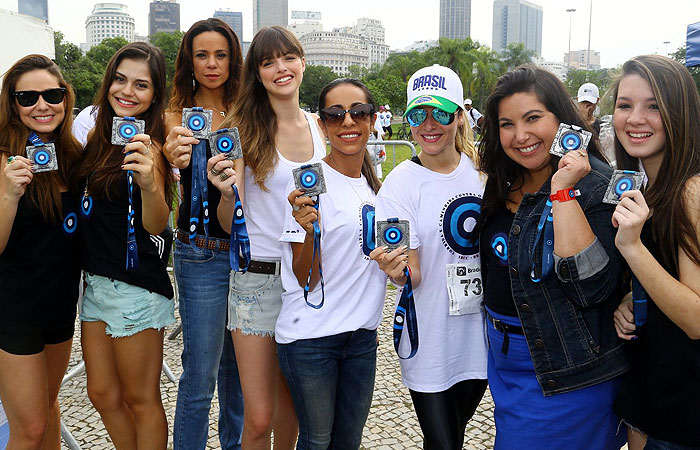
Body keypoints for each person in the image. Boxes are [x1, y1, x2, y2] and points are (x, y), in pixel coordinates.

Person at [475, 65, 628, 449]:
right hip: (505, 364)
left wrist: (562, 192)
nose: (520, 135)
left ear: (561, 120)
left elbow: (591, 286)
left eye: (533, 118)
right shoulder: (502, 180)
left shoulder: (595, 186)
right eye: (507, 123)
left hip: (567, 369)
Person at [214, 25, 326, 449]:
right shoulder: (242, 131)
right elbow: (230, 223)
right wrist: (227, 196)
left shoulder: (321, 127)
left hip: (309, 278)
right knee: (259, 418)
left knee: (293, 409)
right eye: (267, 62)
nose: (280, 68)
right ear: (257, 74)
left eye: (288, 57)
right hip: (256, 279)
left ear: (302, 62)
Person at [371, 64, 487, 450]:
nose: (429, 124)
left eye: (440, 111)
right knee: (444, 443)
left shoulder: (485, 172)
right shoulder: (400, 182)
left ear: (458, 115)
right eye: (418, 113)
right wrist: (398, 272)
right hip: (431, 336)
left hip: (481, 337)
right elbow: (412, 272)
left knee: (452, 432)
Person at [76, 41, 175, 449]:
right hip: (96, 284)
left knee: (140, 397)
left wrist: (151, 181)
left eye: (141, 85)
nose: (127, 92)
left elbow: (157, 224)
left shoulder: (152, 146)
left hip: (136, 288)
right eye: (120, 79)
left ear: (154, 95)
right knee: (101, 393)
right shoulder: (98, 139)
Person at [279, 78, 386, 449]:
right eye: (335, 115)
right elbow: (305, 279)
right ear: (322, 124)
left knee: (348, 441)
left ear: (372, 120)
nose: (348, 123)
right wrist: (308, 231)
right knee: (317, 441)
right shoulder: (311, 180)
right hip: (312, 338)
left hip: (361, 337)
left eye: (358, 113)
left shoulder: (376, 184)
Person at [162, 18, 245, 450]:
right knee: (200, 376)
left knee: (241, 376)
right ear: (188, 61)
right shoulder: (172, 115)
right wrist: (170, 157)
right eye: (201, 54)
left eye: (221, 54)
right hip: (200, 254)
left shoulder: (251, 109)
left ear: (233, 59)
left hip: (250, 257)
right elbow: (156, 190)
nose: (212, 64)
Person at [610, 55, 700, 450]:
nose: (635, 118)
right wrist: (633, 297)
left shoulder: (691, 191)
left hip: (685, 409)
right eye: (625, 105)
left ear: (679, 113)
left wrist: (632, 249)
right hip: (649, 395)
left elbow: (697, 318)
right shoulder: (648, 188)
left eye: (653, 106)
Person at [0, 54, 82, 449]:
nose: (42, 105)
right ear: (12, 104)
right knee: (28, 429)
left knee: (49, 407)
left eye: (51, 94)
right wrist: (10, 194)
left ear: (65, 98)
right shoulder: (3, 159)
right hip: (13, 310)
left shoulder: (72, 157)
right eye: (27, 97)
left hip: (60, 306)